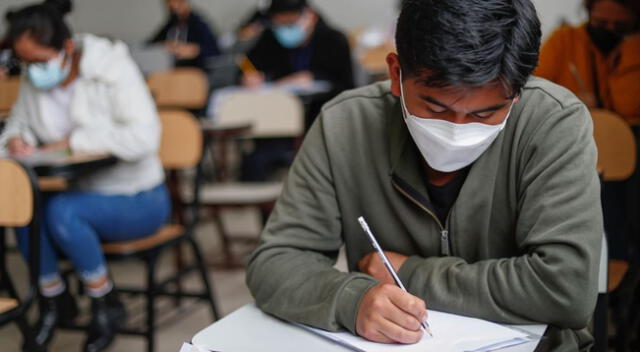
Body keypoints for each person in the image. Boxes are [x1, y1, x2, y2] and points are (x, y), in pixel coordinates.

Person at [246, 0, 602, 350]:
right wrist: (351, 300)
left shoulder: (553, 123)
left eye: (485, 114)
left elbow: (565, 289)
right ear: (395, 74)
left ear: (517, 95)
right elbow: (275, 262)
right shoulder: (345, 125)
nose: (456, 129)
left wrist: (412, 275)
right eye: (434, 106)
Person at [0, 0, 170, 351]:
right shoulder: (36, 76)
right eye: (25, 63)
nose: (31, 72)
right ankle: (54, 301)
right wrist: (18, 138)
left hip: (139, 196)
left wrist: (76, 141)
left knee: (62, 211)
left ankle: (105, 303)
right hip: (80, 191)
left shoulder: (113, 68)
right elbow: (19, 122)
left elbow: (146, 136)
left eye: (39, 62)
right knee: (26, 208)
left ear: (67, 48)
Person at [238, 0, 355, 182]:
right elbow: (247, 65)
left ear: (310, 17)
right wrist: (249, 76)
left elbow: (347, 85)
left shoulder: (334, 40)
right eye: (280, 24)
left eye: (291, 24)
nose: (285, 30)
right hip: (277, 121)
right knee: (255, 160)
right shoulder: (269, 40)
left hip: (321, 118)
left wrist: (314, 77)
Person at [535, 0, 639, 123]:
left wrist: (630, 49)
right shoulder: (563, 41)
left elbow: (629, 109)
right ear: (589, 13)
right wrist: (567, 104)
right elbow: (531, 96)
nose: (609, 30)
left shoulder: (634, 49)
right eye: (601, 23)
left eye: (620, 26)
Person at [148, 0, 220, 73]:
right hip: (170, 70)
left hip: (193, 71)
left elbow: (215, 51)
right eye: (171, 8)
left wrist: (194, 50)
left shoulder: (198, 24)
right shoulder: (170, 25)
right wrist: (164, 45)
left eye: (178, 5)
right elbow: (150, 45)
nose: (175, 10)